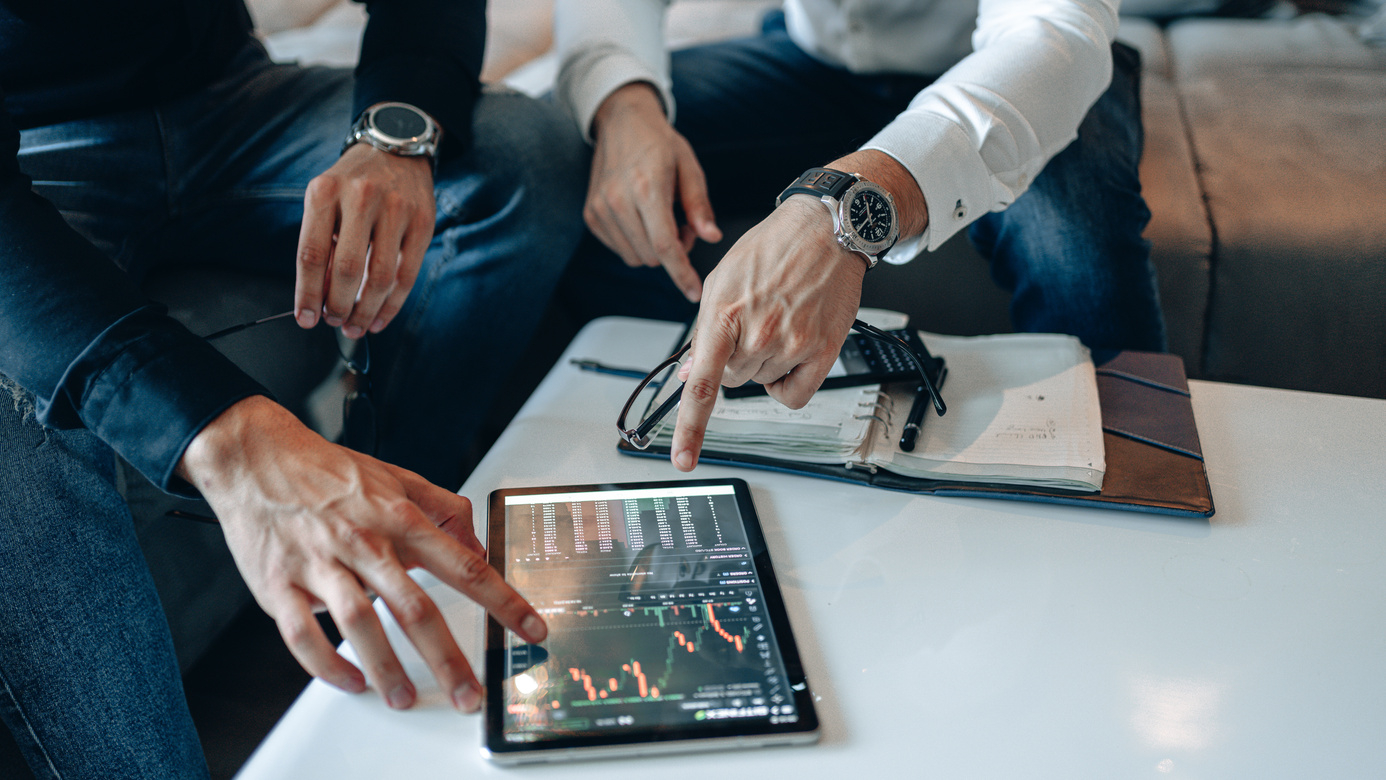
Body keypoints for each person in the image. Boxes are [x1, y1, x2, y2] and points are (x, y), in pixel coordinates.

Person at [0, 1, 587, 776]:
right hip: (33, 151)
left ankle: (393, 557)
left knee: (523, 151)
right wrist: (227, 439)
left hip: (225, 95)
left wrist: (392, 135)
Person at [553, 0, 1167, 471]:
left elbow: (1053, 30)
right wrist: (624, 104)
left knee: (1078, 250)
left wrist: (839, 207)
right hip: (814, 62)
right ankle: (662, 420)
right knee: (588, 157)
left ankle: (1142, 475)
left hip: (1021, 62)